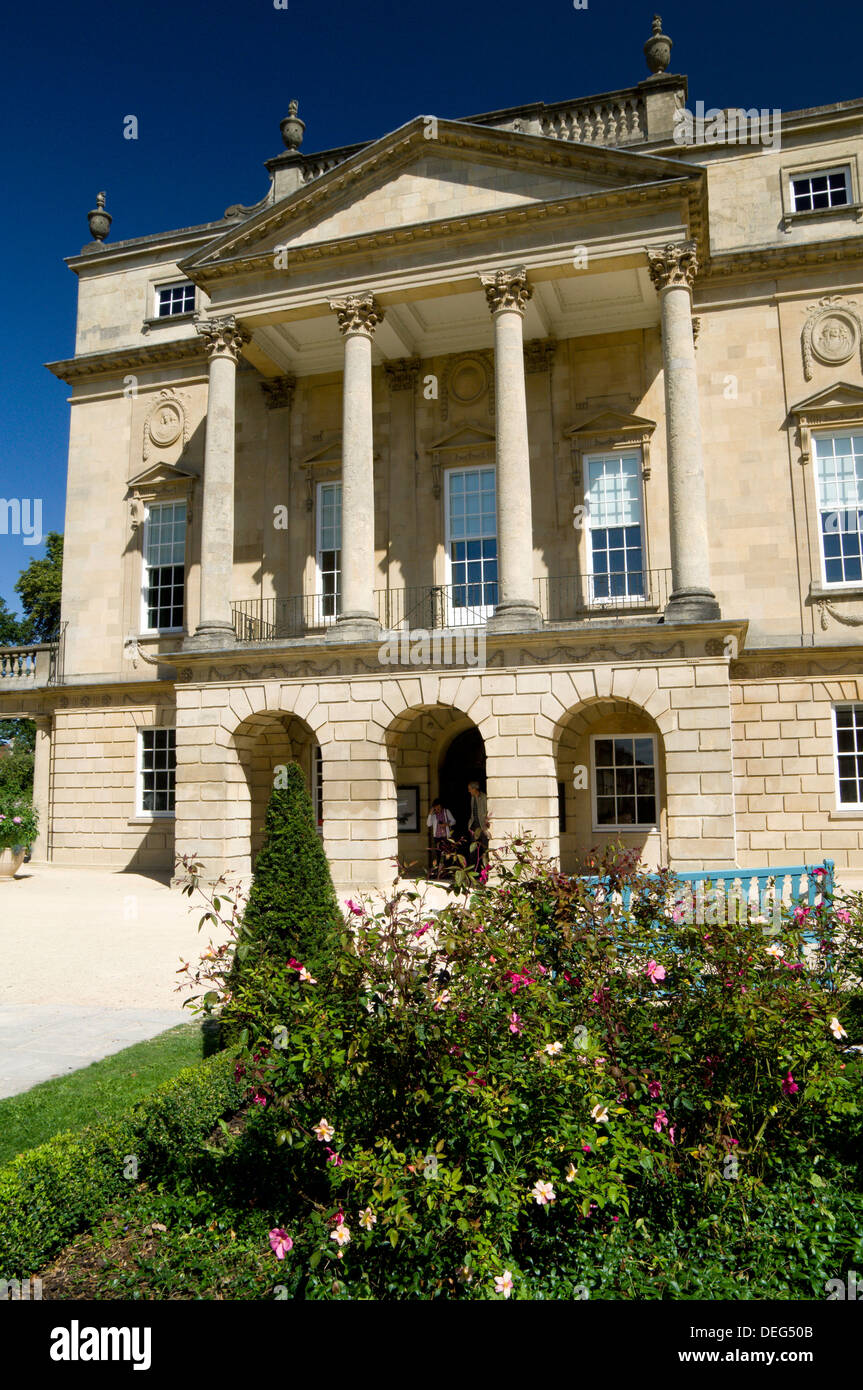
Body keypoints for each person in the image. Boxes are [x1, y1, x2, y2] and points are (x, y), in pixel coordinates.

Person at [426, 798, 455, 878]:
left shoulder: (446, 812)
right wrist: (430, 814)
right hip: (437, 838)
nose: (437, 809)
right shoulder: (433, 815)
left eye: (438, 807)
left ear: (441, 806)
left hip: (446, 837)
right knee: (439, 855)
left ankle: (447, 873)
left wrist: (446, 824)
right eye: (435, 807)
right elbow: (428, 824)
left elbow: (453, 821)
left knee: (447, 855)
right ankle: (439, 873)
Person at [467, 780, 490, 870]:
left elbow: (487, 811)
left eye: (470, 789)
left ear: (474, 789)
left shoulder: (484, 797)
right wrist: (470, 825)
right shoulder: (472, 798)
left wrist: (485, 824)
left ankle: (486, 870)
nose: (469, 791)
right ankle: (473, 871)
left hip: (482, 827)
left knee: (485, 849)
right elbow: (473, 813)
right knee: (473, 850)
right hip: (474, 827)